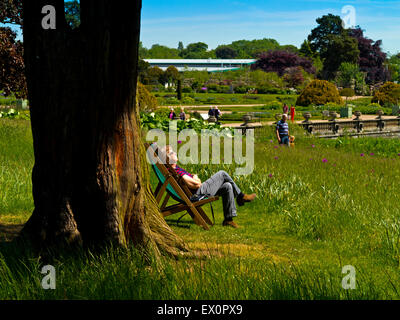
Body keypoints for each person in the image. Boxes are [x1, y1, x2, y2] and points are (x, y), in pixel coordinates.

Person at [159, 145, 256, 228]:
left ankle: (228, 220)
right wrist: (196, 178)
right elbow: (196, 184)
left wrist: (195, 178)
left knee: (227, 186)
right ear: (168, 158)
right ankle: (240, 196)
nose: (175, 153)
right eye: (172, 153)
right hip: (197, 194)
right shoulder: (176, 172)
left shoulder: (174, 169)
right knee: (222, 173)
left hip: (196, 192)